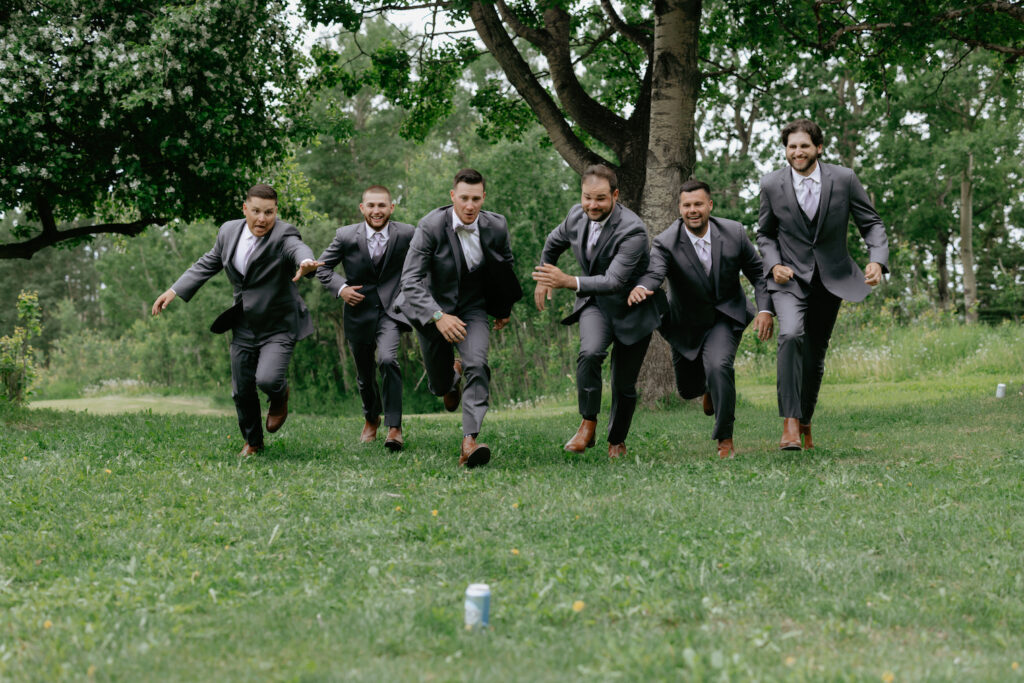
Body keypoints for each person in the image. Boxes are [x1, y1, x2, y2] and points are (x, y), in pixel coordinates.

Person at [151, 184, 323, 457]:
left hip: (279, 322)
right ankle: (253, 442)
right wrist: (174, 290)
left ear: (276, 211)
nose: (262, 219)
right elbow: (209, 262)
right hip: (244, 322)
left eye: (269, 212)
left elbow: (298, 249)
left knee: (267, 379)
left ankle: (279, 396)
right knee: (242, 388)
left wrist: (306, 262)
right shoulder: (228, 231)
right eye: (256, 211)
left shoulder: (284, 233)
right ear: (245, 209)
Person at [757, 119, 889, 450]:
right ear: (785, 150)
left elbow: (870, 222)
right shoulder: (772, 184)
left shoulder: (843, 179)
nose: (797, 152)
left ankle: (804, 421)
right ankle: (788, 424)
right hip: (789, 281)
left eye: (803, 145)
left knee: (814, 355)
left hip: (833, 279)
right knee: (790, 335)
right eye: (791, 146)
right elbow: (765, 233)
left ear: (818, 147)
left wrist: (877, 259)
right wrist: (773, 264)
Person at [629, 180, 774, 459]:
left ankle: (725, 439)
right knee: (688, 389)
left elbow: (758, 274)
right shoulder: (666, 242)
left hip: (725, 315)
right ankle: (708, 387)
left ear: (709, 205)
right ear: (679, 208)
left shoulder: (733, 232)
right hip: (685, 323)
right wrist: (643, 286)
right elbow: (655, 271)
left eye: (698, 204)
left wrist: (765, 310)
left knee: (720, 366)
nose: (692, 210)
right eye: (686, 205)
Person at [533, 164, 660, 459]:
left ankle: (617, 440)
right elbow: (553, 243)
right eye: (587, 197)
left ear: (615, 195)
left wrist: (568, 281)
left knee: (623, 384)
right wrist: (543, 278)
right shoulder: (576, 216)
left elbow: (614, 281)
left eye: (600, 198)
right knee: (589, 353)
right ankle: (587, 423)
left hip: (633, 309)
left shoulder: (633, 230)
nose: (592, 205)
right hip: (596, 305)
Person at [397, 168, 522, 467]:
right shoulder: (429, 225)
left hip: (473, 305)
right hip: (431, 305)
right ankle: (450, 380)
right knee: (439, 386)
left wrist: (503, 308)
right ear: (452, 196)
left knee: (477, 363)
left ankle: (470, 441)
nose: (469, 206)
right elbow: (410, 281)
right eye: (464, 198)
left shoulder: (497, 225)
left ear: (483, 198)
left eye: (476, 199)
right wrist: (438, 316)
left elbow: (505, 269)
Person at [315, 185, 415, 451]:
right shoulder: (345, 236)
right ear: (362, 208)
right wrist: (342, 288)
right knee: (364, 373)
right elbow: (322, 269)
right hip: (358, 314)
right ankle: (371, 417)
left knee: (388, 359)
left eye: (382, 205)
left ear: (391, 207)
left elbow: (421, 268)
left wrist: (408, 297)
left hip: (391, 313)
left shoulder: (407, 234)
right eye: (371, 205)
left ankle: (394, 428)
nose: (376, 211)